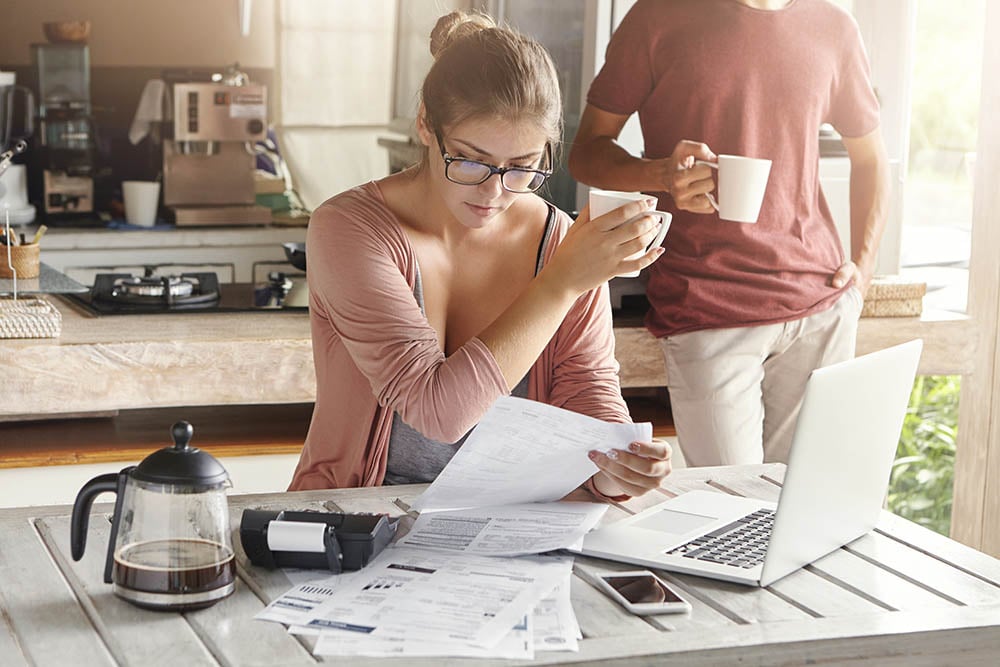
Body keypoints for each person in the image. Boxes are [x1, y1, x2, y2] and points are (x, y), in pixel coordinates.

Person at [289, 11, 673, 499]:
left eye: (522, 167)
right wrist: (562, 281)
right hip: (359, 517)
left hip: (506, 517)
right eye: (471, 160)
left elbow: (584, 386)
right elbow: (437, 413)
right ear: (427, 125)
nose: (494, 191)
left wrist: (615, 464)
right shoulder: (349, 229)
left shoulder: (560, 239)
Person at [568, 0, 890, 466]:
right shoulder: (657, 17)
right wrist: (661, 174)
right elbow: (585, 153)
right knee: (732, 512)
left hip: (820, 307)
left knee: (806, 508)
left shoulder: (834, 27)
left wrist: (863, 268)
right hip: (707, 308)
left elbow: (872, 159)